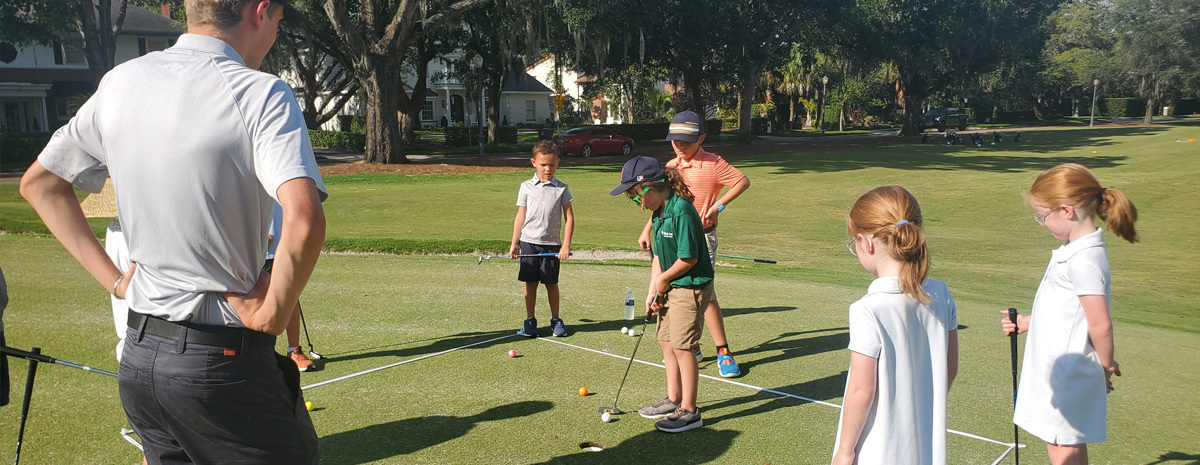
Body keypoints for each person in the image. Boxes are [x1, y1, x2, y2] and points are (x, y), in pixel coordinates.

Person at [19, 0, 326, 463]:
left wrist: (117, 282)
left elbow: (41, 185)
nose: (275, 34)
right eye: (279, 22)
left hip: (142, 360)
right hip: (223, 362)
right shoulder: (260, 92)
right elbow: (303, 219)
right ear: (260, 12)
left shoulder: (121, 82)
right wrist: (271, 314)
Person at [1002, 163, 1136, 465]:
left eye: (1043, 215)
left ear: (1066, 210)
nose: (1042, 221)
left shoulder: (1084, 259)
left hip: (1069, 372)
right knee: (1067, 440)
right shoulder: (1074, 249)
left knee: (1061, 444)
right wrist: (1027, 322)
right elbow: (1064, 312)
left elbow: (1100, 324)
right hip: (1060, 367)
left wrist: (1104, 367)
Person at [832, 185, 959, 465]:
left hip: (876, 448)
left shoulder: (867, 308)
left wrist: (845, 450)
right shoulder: (942, 293)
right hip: (926, 443)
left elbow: (861, 391)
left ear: (866, 242)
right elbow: (948, 369)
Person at [638, 110, 749, 378]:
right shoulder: (670, 167)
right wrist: (647, 229)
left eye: (686, 140)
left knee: (704, 293)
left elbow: (742, 181)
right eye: (675, 140)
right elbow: (661, 205)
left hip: (701, 238)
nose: (680, 145)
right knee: (678, 291)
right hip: (671, 238)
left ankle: (723, 351)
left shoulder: (713, 163)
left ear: (701, 137)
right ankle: (692, 345)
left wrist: (718, 206)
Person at [614, 156, 713, 433]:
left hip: (690, 285)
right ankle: (673, 398)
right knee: (666, 341)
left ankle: (690, 411)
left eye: (636, 198)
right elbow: (658, 256)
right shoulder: (658, 213)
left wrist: (664, 282)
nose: (637, 204)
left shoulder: (681, 211)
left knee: (683, 346)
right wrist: (652, 289)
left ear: (650, 189)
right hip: (671, 286)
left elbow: (689, 259)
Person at [510, 140, 575, 337]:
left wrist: (565, 245)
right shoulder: (526, 187)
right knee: (530, 284)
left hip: (552, 245)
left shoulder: (562, 188)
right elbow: (521, 215)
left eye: (552, 165)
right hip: (529, 243)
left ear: (558, 163)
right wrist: (514, 243)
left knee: (551, 284)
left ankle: (556, 320)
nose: (548, 169)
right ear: (533, 163)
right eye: (543, 164)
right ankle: (530, 321)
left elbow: (569, 217)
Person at [267, 202, 315, 371]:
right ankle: (262, 353)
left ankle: (294, 350)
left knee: (291, 298)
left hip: (283, 247)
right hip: (259, 249)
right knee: (260, 300)